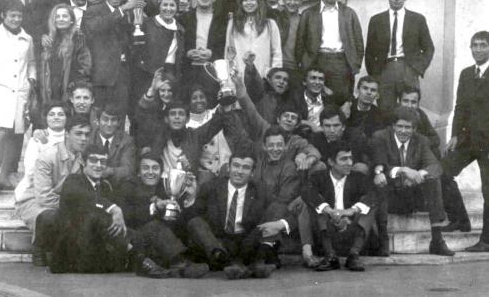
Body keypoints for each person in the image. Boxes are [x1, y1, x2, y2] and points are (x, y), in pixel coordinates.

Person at [441, 31, 489, 252]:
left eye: (483, 45)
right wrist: (454, 135)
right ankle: (460, 220)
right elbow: (460, 107)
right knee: (441, 172)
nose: (478, 49)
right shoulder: (465, 75)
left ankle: (488, 241)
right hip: (466, 141)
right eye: (474, 45)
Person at [184, 154, 296, 280]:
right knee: (195, 222)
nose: (239, 171)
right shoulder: (211, 187)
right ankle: (229, 261)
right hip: (218, 243)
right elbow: (191, 216)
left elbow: (285, 211)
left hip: (246, 243)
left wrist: (279, 225)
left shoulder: (261, 189)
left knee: (274, 209)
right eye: (236, 166)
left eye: (246, 168)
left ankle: (243, 264)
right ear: (228, 168)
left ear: (252, 173)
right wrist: (191, 197)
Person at [370, 107, 455, 257]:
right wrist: (402, 170)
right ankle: (383, 240)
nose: (403, 131)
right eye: (400, 126)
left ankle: (437, 240)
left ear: (414, 129)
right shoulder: (381, 137)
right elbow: (378, 165)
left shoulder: (421, 141)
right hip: (389, 197)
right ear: (393, 126)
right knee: (380, 182)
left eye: (408, 127)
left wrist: (418, 175)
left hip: (411, 197)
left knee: (433, 180)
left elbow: (435, 166)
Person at [115, 154, 210, 278]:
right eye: (145, 168)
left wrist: (190, 197)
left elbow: (181, 219)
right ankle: (180, 263)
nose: (150, 172)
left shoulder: (166, 187)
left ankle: (179, 267)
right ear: (138, 172)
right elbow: (126, 215)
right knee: (154, 226)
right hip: (138, 241)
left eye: (155, 168)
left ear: (161, 172)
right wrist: (155, 207)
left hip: (163, 244)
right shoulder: (128, 186)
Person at [14, 114, 90, 266]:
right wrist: (71, 206)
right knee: (48, 216)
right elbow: (43, 197)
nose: (83, 138)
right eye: (78, 133)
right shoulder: (48, 156)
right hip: (33, 200)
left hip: (61, 201)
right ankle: (39, 248)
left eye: (87, 134)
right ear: (67, 134)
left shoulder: (84, 159)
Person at [0, 0, 36, 193]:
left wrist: (32, 79)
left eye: (19, 16)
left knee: (15, 134)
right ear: (3, 15)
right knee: (1, 133)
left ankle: (5, 175)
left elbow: (32, 62)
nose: (16, 19)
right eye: (12, 15)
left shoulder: (27, 38)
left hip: (20, 91)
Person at [50, 146, 134, 273]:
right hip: (72, 253)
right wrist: (114, 208)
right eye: (93, 160)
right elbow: (88, 198)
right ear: (83, 162)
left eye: (103, 161)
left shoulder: (105, 186)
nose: (98, 165)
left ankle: (142, 258)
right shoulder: (73, 180)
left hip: (96, 249)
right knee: (95, 216)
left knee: (139, 235)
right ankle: (136, 256)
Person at [301, 141, 378, 272]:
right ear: (331, 162)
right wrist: (330, 211)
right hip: (327, 232)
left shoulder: (358, 178)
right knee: (314, 205)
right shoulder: (319, 177)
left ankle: (354, 255)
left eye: (350, 158)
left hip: (352, 232)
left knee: (370, 206)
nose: (349, 163)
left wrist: (350, 211)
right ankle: (331, 256)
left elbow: (374, 195)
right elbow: (307, 193)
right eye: (344, 159)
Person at [296, 0, 363, 105]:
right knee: (318, 102)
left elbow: (358, 43)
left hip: (341, 62)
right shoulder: (309, 14)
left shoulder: (349, 14)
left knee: (341, 101)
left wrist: (354, 64)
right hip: (317, 61)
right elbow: (300, 44)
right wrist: (305, 65)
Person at [365, 0, 435, 111]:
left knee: (409, 109)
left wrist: (417, 69)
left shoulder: (417, 19)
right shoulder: (376, 20)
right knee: (385, 110)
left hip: (408, 68)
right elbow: (369, 51)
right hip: (386, 69)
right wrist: (375, 75)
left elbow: (428, 48)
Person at [81, 0, 138, 118]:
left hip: (123, 77)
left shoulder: (129, 13)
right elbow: (95, 29)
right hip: (101, 77)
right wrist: (120, 11)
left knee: (119, 119)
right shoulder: (93, 11)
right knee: (98, 119)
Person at [14, 101, 67, 210]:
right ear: (46, 118)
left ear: (67, 118)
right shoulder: (37, 139)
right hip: (38, 188)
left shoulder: (72, 138)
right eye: (51, 114)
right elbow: (30, 170)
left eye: (60, 114)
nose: (56, 117)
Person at [38, 3, 91, 106]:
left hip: (68, 91)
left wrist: (72, 88)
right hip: (50, 90)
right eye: (57, 16)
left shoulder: (78, 38)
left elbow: (85, 67)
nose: (61, 19)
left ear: (71, 20)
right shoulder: (49, 39)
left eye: (65, 16)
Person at [180, 0, 224, 104]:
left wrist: (212, 54)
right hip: (189, 71)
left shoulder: (221, 20)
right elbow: (177, 45)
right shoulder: (184, 18)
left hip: (211, 72)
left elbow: (225, 47)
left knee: (211, 106)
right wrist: (187, 53)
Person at [137, 0, 185, 97]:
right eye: (165, 5)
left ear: (177, 7)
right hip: (149, 74)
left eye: (172, 5)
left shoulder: (180, 29)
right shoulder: (147, 25)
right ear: (159, 6)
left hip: (171, 74)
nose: (168, 9)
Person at [225, 0, 282, 78]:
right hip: (239, 76)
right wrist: (229, 77)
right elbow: (228, 52)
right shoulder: (233, 24)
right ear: (241, 3)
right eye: (245, 0)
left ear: (258, 2)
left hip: (262, 76)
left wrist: (274, 76)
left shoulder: (270, 24)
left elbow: (276, 53)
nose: (248, 3)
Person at [186, 84, 233, 179]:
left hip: (227, 169)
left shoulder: (215, 113)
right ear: (189, 102)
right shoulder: (186, 124)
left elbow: (226, 103)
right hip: (205, 175)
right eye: (194, 98)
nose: (199, 100)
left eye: (202, 97)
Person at [88, 104, 136, 186]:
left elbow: (128, 170)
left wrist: (110, 171)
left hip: (116, 186)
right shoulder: (89, 138)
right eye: (105, 119)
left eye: (113, 120)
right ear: (98, 121)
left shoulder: (127, 141)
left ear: (118, 122)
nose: (109, 124)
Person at [134, 68, 174, 151]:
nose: (166, 94)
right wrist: (152, 89)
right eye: (162, 90)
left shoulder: (178, 107)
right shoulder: (155, 108)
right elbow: (139, 116)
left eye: (169, 90)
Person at [398, 85, 441, 159]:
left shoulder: (421, 115)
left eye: (413, 102)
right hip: (398, 151)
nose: (409, 106)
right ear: (399, 101)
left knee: (435, 152)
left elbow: (435, 138)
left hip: (416, 151)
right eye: (405, 101)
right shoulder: (392, 116)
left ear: (418, 104)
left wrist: (419, 143)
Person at [281, 0, 304, 85]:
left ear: (301, 1)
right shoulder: (276, 18)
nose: (292, 2)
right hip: (278, 66)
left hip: (296, 68)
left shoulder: (304, 20)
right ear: (283, 0)